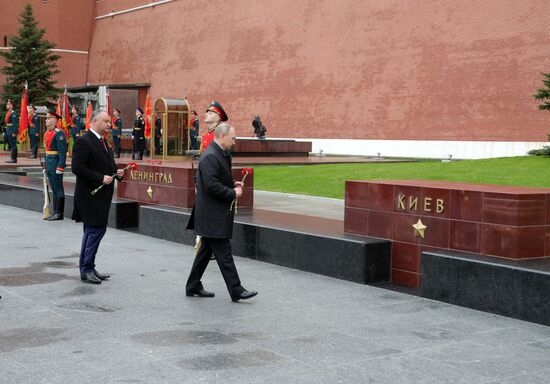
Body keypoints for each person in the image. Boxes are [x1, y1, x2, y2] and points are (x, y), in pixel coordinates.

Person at [186, 122, 258, 302]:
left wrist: (232, 183)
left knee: (205, 253)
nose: (234, 142)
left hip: (212, 214)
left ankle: (193, 285)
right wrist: (232, 193)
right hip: (213, 216)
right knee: (224, 253)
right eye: (233, 138)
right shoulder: (211, 155)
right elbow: (211, 185)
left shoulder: (218, 153)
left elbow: (217, 178)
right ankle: (236, 290)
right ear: (222, 136)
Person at [72, 110, 124, 284]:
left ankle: (88, 267)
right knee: (96, 230)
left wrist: (118, 173)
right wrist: (100, 178)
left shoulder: (103, 141)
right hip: (89, 195)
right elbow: (77, 168)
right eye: (106, 121)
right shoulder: (83, 141)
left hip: (101, 195)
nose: (110, 124)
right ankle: (86, 269)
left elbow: (108, 165)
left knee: (92, 231)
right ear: (94, 121)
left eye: (109, 121)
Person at [44, 109, 68, 220]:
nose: (46, 120)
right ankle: (54, 211)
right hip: (49, 163)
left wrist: (61, 166)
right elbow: (47, 150)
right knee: (53, 188)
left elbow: (62, 152)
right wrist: (45, 165)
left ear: (55, 120)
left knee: (58, 188)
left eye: (49, 118)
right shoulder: (47, 133)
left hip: (55, 163)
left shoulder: (59, 134)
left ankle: (59, 213)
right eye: (46, 118)